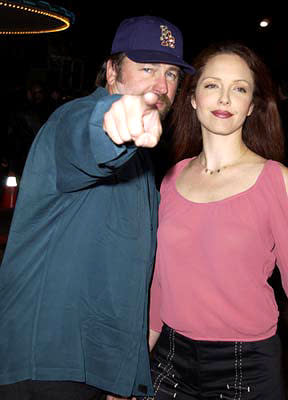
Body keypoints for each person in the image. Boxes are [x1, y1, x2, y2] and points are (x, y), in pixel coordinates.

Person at [0, 16, 194, 400]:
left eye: (171, 74)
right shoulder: (71, 120)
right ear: (110, 71)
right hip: (48, 363)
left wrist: (123, 373)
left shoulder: (143, 160)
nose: (161, 85)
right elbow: (90, 132)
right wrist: (114, 122)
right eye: (147, 68)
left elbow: (129, 273)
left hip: (92, 367)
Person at [148, 42, 288, 399]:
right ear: (193, 98)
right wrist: (133, 365)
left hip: (247, 364)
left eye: (239, 88)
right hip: (169, 357)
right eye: (212, 85)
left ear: (252, 105)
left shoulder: (277, 181)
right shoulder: (170, 179)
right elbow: (159, 284)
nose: (224, 98)